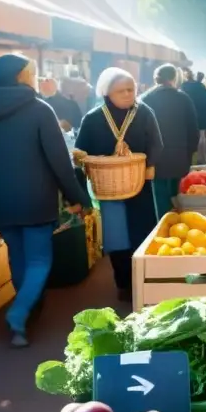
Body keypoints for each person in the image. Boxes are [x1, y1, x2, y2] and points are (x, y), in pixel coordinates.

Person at [0, 54, 89, 347]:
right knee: (39, 259)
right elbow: (60, 161)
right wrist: (77, 197)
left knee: (17, 255)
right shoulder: (39, 109)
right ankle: (20, 312)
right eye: (32, 72)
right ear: (22, 75)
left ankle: (26, 314)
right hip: (36, 198)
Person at [76, 68, 163, 300]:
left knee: (142, 231)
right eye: (121, 91)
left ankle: (144, 278)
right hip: (109, 188)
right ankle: (123, 283)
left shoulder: (144, 113)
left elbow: (156, 142)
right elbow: (80, 150)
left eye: (131, 89)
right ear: (107, 93)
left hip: (139, 185)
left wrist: (150, 165)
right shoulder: (93, 118)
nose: (127, 94)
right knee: (117, 237)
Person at [140, 64, 199, 218]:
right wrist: (191, 153)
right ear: (174, 78)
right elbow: (193, 129)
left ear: (155, 79)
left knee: (159, 198)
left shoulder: (145, 99)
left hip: (155, 159)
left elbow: (140, 132)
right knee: (178, 196)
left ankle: (164, 230)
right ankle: (179, 230)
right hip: (180, 157)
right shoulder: (183, 98)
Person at [180, 68, 206, 163]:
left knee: (191, 139)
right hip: (202, 117)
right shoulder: (201, 86)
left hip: (189, 118)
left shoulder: (184, 86)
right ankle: (201, 159)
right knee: (201, 139)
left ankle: (192, 160)